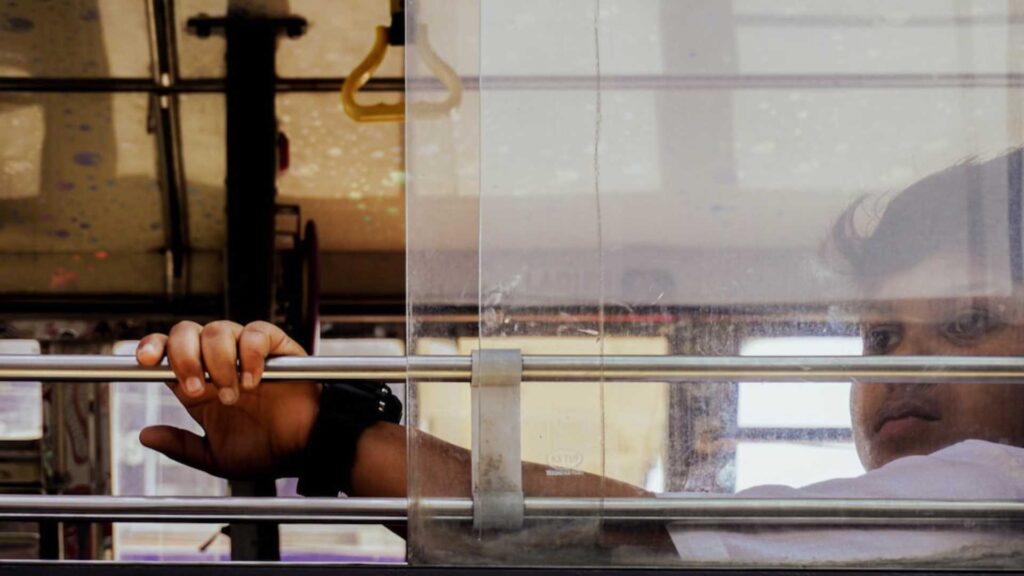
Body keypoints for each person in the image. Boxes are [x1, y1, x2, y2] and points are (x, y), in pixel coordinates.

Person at [135, 151, 1024, 565]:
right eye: (881, 337)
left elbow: (628, 546)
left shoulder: (998, 491)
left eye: (968, 324)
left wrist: (330, 437)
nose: (904, 367)